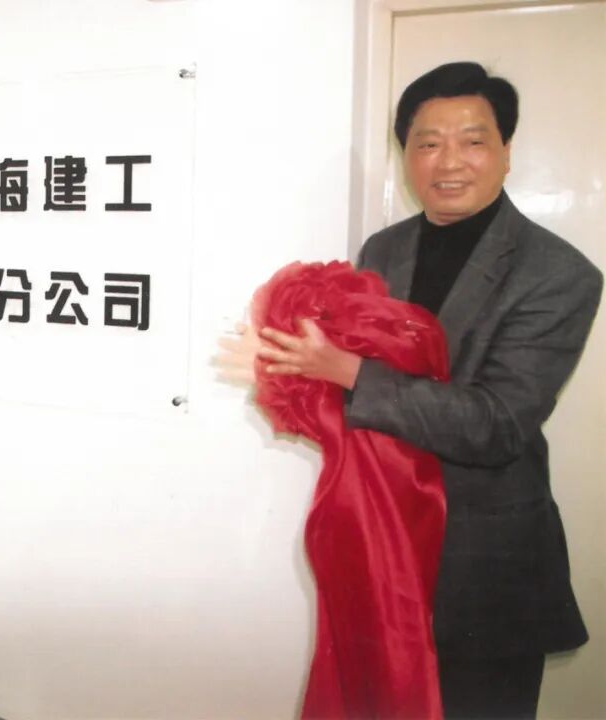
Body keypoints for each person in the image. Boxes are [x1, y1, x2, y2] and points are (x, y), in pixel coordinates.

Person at [224, 62, 602, 718]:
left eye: (472, 140)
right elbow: (345, 394)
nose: (448, 161)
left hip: (482, 566)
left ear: (506, 151)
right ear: (406, 155)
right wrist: (284, 364)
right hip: (380, 544)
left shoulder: (558, 274)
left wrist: (346, 371)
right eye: (428, 142)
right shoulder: (384, 250)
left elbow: (496, 424)